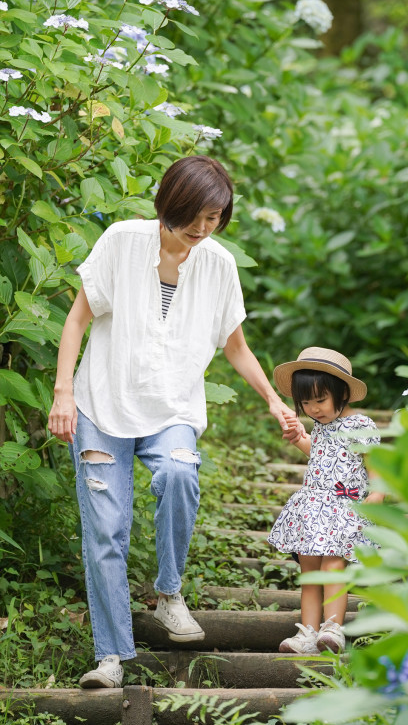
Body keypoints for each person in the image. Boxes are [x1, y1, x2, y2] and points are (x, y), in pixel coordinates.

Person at [48, 155, 301, 689]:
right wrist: (63, 392)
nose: (203, 228)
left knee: (181, 473)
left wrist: (273, 401)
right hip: (101, 404)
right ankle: (111, 657)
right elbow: (77, 318)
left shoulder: (218, 264)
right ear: (169, 201)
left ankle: (169, 594)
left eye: (215, 217)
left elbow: (236, 345)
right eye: (195, 214)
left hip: (173, 410)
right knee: (105, 531)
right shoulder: (120, 240)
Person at [268, 346, 384, 655]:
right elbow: (320, 456)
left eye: (320, 400)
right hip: (313, 508)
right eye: (306, 403)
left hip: (343, 509)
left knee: (333, 564)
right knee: (309, 569)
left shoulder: (360, 425)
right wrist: (299, 439)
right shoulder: (320, 427)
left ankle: (332, 627)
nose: (314, 409)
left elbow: (376, 465)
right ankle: (307, 632)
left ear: (341, 392)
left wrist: (378, 492)